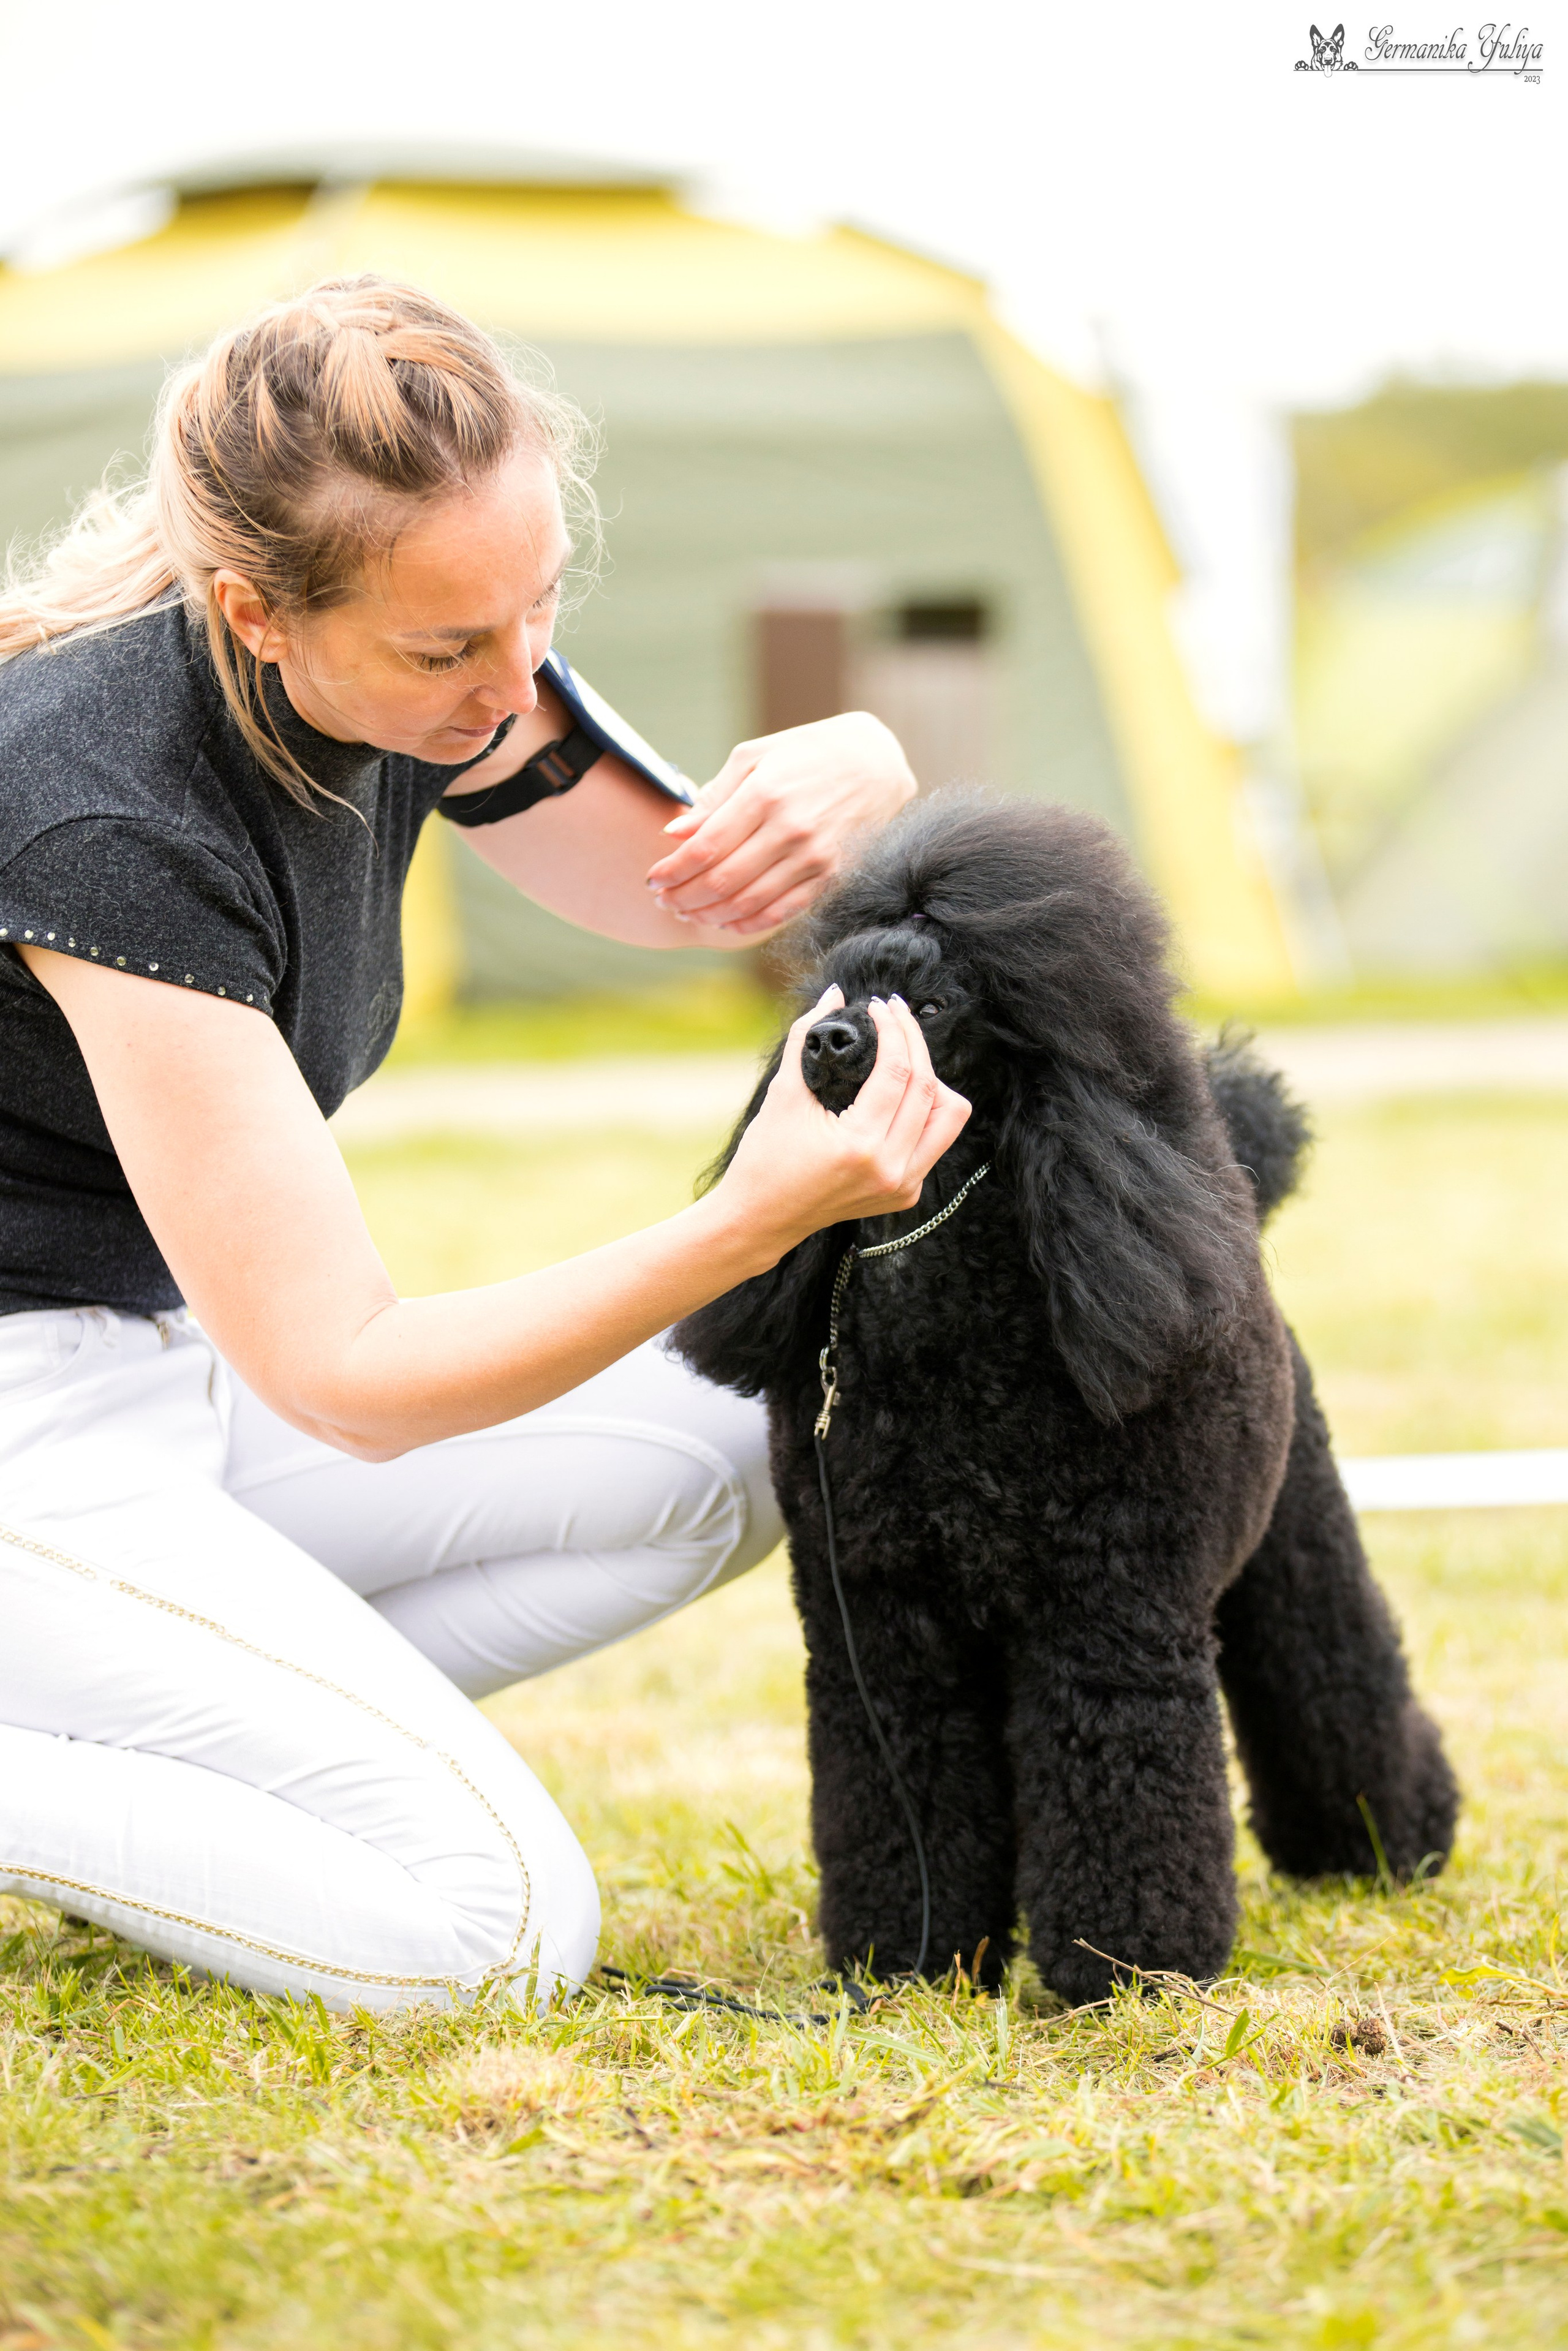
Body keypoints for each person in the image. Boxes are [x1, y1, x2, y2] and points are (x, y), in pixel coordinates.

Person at [0, 277, 970, 2010]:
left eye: (538, 607)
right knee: (496, 1932)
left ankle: (200, 1782)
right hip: (35, 1433)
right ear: (254, 612)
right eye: (449, 648)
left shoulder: (419, 665)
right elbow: (353, 1377)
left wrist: (869, 762)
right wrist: (746, 1222)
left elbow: (695, 889)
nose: (514, 682)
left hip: (165, 1382)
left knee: (746, 1444)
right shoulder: (103, 810)